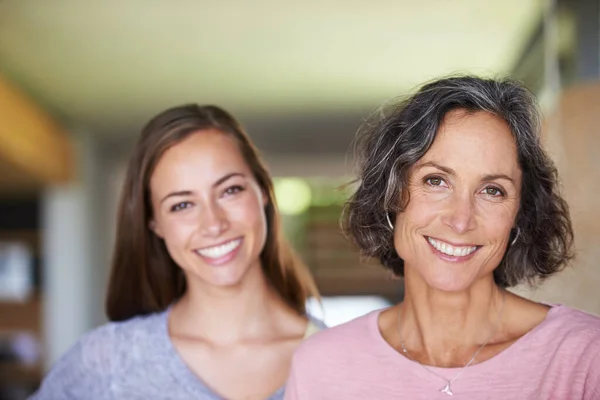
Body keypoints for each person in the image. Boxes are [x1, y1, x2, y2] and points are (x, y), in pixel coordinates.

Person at [284, 76, 600, 399]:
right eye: (436, 181)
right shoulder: (321, 369)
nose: (461, 220)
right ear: (391, 193)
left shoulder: (586, 359)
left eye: (492, 190)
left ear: (520, 212)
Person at [32, 104, 322, 400]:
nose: (213, 223)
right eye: (182, 205)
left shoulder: (340, 357)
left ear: (262, 189)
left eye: (230, 190)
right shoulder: (107, 364)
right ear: (155, 223)